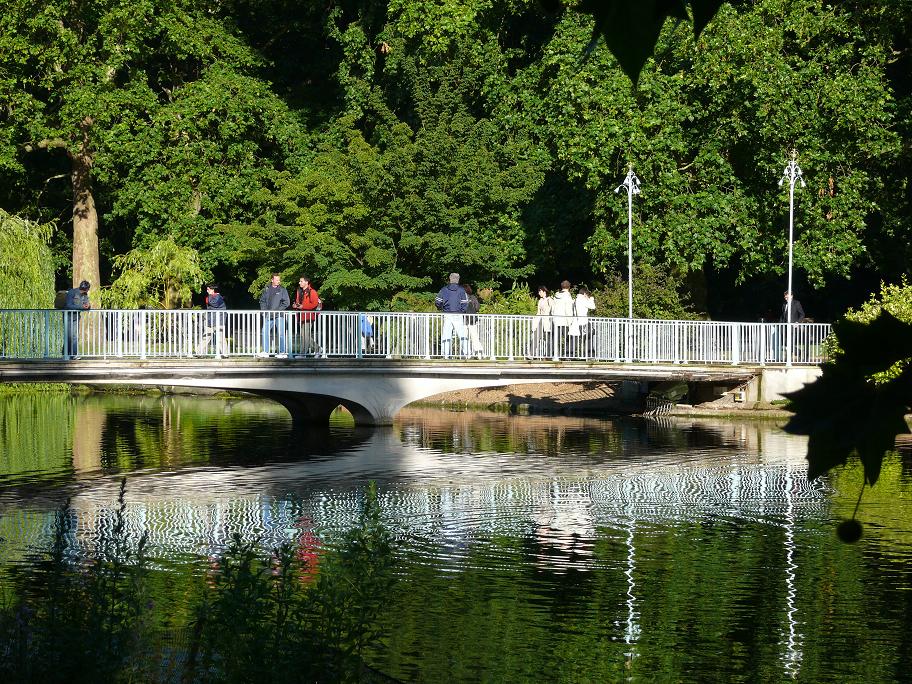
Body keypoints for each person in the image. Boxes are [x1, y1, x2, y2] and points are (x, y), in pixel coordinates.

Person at [434, 272, 468, 358]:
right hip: (458, 314)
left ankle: (445, 355)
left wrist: (441, 308)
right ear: (458, 279)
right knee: (462, 334)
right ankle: (467, 353)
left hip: (447, 314)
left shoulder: (443, 289)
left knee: (446, 335)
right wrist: (461, 311)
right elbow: (465, 303)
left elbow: (438, 302)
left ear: (450, 279)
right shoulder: (461, 290)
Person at [258, 273, 290, 358]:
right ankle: (265, 351)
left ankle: (282, 352)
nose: (278, 281)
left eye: (279, 280)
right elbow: (262, 301)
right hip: (268, 315)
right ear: (272, 280)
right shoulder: (266, 289)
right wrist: (264, 311)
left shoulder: (282, 289)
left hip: (279, 315)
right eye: (276, 280)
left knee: (281, 334)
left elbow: (286, 303)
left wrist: (277, 311)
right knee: (264, 331)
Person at [292, 276, 322, 357]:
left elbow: (314, 304)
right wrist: (296, 305)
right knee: (304, 336)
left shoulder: (312, 292)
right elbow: (299, 302)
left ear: (306, 282)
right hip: (301, 316)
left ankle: (304, 353)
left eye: (301, 281)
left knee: (305, 336)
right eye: (299, 281)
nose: (299, 283)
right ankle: (317, 349)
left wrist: (302, 306)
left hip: (308, 317)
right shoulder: (300, 291)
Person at [196, 284, 228, 357]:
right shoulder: (211, 297)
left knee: (220, 337)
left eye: (208, 289)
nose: (207, 291)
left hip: (219, 320)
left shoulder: (218, 297)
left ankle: (224, 353)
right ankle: (199, 352)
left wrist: (210, 296)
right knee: (206, 336)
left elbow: (214, 304)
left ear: (212, 290)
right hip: (210, 320)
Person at [63, 280, 91, 359]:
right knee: (69, 336)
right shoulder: (72, 292)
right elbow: (68, 306)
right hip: (67, 317)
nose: (86, 291)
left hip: (76, 317)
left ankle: (74, 354)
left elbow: (86, 304)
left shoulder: (85, 294)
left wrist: (88, 306)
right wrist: (82, 307)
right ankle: (65, 353)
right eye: (86, 289)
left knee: (75, 336)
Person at [550, 280, 574, 358]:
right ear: (569, 287)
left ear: (561, 286)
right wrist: (570, 321)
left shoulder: (556, 296)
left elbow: (552, 308)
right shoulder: (567, 296)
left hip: (556, 320)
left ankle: (554, 354)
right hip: (565, 320)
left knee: (555, 338)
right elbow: (568, 310)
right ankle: (568, 355)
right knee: (569, 338)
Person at [527, 286, 552, 359]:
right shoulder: (540, 300)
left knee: (549, 338)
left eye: (540, 291)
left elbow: (552, 310)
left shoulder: (550, 300)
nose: (539, 293)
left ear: (544, 291)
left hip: (548, 320)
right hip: (541, 320)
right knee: (536, 336)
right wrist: (535, 321)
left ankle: (549, 355)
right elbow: (538, 312)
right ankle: (531, 354)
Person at [573, 286, 597, 357]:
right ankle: (590, 355)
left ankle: (586, 354)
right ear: (584, 294)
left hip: (578, 322)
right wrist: (591, 299)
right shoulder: (582, 299)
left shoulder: (576, 299)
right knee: (589, 339)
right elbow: (593, 307)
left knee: (584, 339)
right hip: (584, 322)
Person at [463, 284, 484, 358]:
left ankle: (467, 354)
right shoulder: (473, 297)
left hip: (463, 320)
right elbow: (477, 307)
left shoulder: (461, 298)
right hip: (472, 320)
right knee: (474, 336)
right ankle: (479, 352)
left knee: (465, 337)